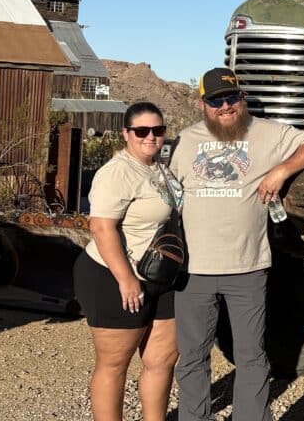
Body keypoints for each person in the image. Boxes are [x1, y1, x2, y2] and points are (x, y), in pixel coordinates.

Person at [171, 67, 304, 421]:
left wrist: (281, 170)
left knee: (252, 356)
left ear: (241, 98)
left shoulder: (267, 133)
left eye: (231, 97)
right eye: (216, 100)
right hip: (193, 270)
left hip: (247, 267)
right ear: (203, 104)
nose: (225, 106)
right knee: (193, 355)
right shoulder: (185, 140)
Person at [73, 101, 179, 421]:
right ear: (126, 133)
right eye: (142, 131)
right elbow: (101, 226)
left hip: (162, 275)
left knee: (162, 359)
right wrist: (126, 279)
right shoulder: (117, 172)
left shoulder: (159, 168)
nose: (150, 137)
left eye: (157, 130)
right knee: (114, 365)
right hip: (114, 276)